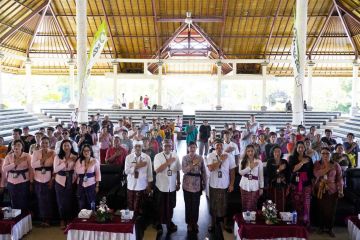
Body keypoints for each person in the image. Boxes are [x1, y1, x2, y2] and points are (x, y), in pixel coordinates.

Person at [313, 147, 343, 237]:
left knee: (331, 211)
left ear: (330, 154)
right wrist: (327, 168)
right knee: (320, 209)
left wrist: (340, 189)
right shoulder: (317, 164)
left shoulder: (336, 165)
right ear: (320, 154)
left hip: (332, 190)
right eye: (323, 153)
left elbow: (340, 178)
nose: (325, 155)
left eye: (327, 153)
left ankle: (330, 228)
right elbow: (317, 174)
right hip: (320, 189)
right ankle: (321, 227)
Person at [206, 139, 235, 232]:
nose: (219, 147)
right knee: (213, 205)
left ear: (223, 146)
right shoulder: (210, 155)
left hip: (225, 184)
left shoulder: (229, 156)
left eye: (221, 145)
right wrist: (220, 159)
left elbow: (232, 172)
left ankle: (225, 224)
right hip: (213, 184)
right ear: (214, 146)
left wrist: (231, 184)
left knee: (225, 205)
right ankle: (212, 223)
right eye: (217, 145)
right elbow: (211, 168)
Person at [153, 139, 181, 234]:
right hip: (161, 186)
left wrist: (178, 182)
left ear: (172, 146)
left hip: (172, 186)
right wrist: (168, 162)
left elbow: (177, 170)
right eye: (165, 145)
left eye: (169, 145)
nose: (167, 147)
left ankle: (169, 221)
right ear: (162, 146)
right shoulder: (158, 156)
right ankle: (159, 223)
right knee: (159, 206)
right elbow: (157, 170)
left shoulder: (175, 156)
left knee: (170, 206)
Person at [31, 136, 56, 227]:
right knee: (40, 199)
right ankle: (42, 218)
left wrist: (52, 179)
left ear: (49, 144)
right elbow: (33, 165)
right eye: (43, 143)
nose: (44, 144)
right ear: (40, 143)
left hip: (49, 177)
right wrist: (44, 158)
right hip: (38, 178)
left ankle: (49, 219)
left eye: (46, 143)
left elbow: (55, 168)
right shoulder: (35, 152)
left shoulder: (53, 153)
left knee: (48, 199)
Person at [182, 141, 206, 233]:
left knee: (196, 205)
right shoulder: (185, 158)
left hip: (197, 184)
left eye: (194, 147)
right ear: (188, 148)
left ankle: (195, 222)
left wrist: (204, 182)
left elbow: (203, 171)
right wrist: (192, 164)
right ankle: (189, 223)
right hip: (187, 184)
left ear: (196, 148)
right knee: (188, 205)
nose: (192, 149)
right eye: (190, 147)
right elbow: (184, 170)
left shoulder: (200, 158)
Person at [125, 141, 152, 219]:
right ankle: (131, 224)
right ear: (133, 147)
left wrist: (149, 186)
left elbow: (150, 173)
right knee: (131, 206)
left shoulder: (147, 158)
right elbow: (126, 171)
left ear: (142, 147)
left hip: (142, 185)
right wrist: (137, 166)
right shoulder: (128, 157)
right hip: (131, 185)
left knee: (138, 207)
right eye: (136, 146)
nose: (137, 148)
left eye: (139, 146)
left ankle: (138, 225)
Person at [53, 140, 78, 228]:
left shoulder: (75, 156)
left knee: (69, 200)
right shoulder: (58, 157)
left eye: (68, 145)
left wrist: (74, 161)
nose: (66, 147)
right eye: (64, 146)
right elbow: (55, 169)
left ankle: (69, 219)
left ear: (71, 146)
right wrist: (65, 162)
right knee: (61, 201)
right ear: (62, 147)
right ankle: (62, 219)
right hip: (59, 180)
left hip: (71, 180)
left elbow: (77, 169)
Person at [3, 139, 33, 211]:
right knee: (13, 200)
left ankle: (24, 216)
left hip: (24, 181)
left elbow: (31, 169)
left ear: (22, 146)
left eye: (18, 145)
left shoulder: (27, 155)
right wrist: (15, 163)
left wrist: (31, 181)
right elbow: (4, 169)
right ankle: (16, 217)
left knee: (24, 199)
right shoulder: (8, 156)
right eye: (14, 145)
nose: (16, 147)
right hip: (11, 181)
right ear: (12, 147)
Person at [289, 141, 314, 227]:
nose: (300, 149)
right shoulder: (292, 158)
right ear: (296, 148)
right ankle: (296, 223)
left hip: (306, 184)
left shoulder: (309, 159)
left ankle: (306, 223)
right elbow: (293, 170)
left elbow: (311, 173)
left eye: (302, 147)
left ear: (305, 148)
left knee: (306, 204)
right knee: (296, 203)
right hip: (295, 184)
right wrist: (302, 162)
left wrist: (312, 185)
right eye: (299, 147)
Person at [74, 144, 101, 210]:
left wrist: (97, 185)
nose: (86, 152)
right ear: (82, 152)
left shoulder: (95, 161)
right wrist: (88, 165)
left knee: (91, 201)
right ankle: (83, 217)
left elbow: (98, 174)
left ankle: (91, 217)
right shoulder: (79, 160)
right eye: (84, 151)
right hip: (80, 183)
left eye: (88, 150)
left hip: (91, 183)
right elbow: (78, 171)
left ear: (91, 151)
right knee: (81, 202)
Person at [239, 144, 264, 211]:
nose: (250, 153)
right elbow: (241, 172)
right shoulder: (242, 161)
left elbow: (261, 176)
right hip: (244, 185)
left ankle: (252, 220)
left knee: (252, 205)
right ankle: (245, 220)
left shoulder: (259, 161)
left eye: (252, 151)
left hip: (255, 186)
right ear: (246, 152)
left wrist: (261, 187)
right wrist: (250, 167)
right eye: (248, 151)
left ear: (254, 151)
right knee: (245, 204)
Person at [266, 145, 290, 211]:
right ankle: (272, 219)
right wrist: (279, 169)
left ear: (281, 152)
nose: (277, 153)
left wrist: (288, 186)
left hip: (283, 186)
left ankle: (281, 219)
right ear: (272, 153)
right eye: (275, 151)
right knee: (272, 204)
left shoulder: (284, 162)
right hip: (272, 186)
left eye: (279, 151)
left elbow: (288, 175)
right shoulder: (269, 162)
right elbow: (269, 175)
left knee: (282, 203)